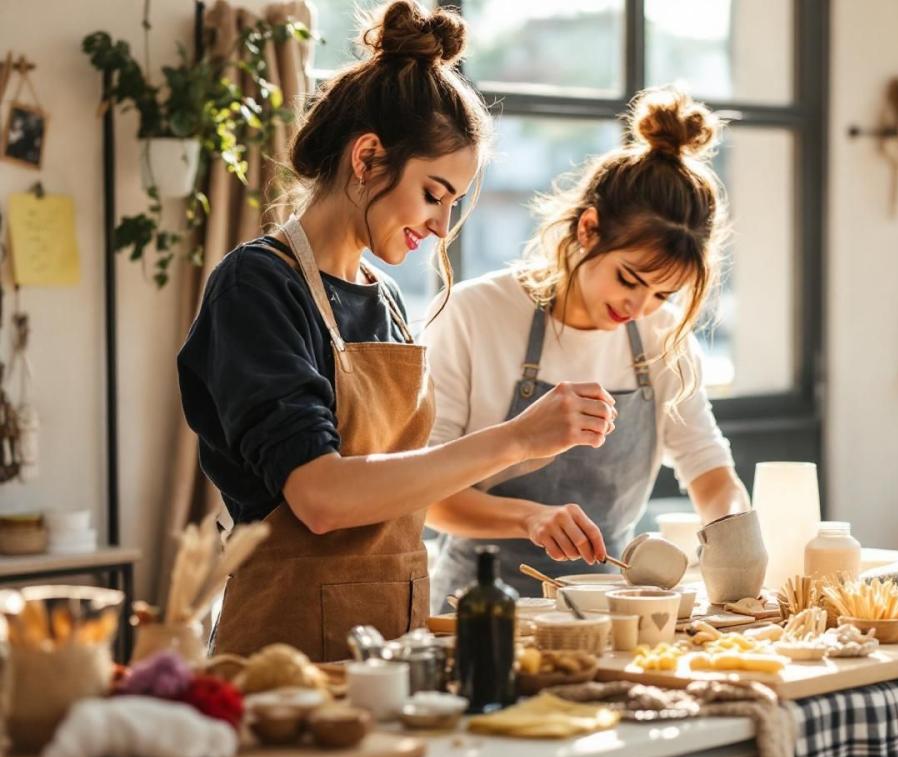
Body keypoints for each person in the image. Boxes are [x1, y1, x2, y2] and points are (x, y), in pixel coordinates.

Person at [177, 0, 616, 661]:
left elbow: (403, 492)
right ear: (367, 157)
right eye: (434, 194)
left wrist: (528, 509)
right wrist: (516, 438)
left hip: (393, 649)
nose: (441, 226)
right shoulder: (257, 287)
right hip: (283, 664)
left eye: (453, 204)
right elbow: (322, 496)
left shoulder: (383, 301)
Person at [425, 87, 750, 606]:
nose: (639, 307)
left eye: (663, 294)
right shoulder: (473, 313)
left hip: (612, 607)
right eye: (629, 279)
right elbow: (427, 494)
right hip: (480, 608)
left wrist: (736, 538)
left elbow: (709, 470)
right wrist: (529, 518)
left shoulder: (660, 334)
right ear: (589, 229)